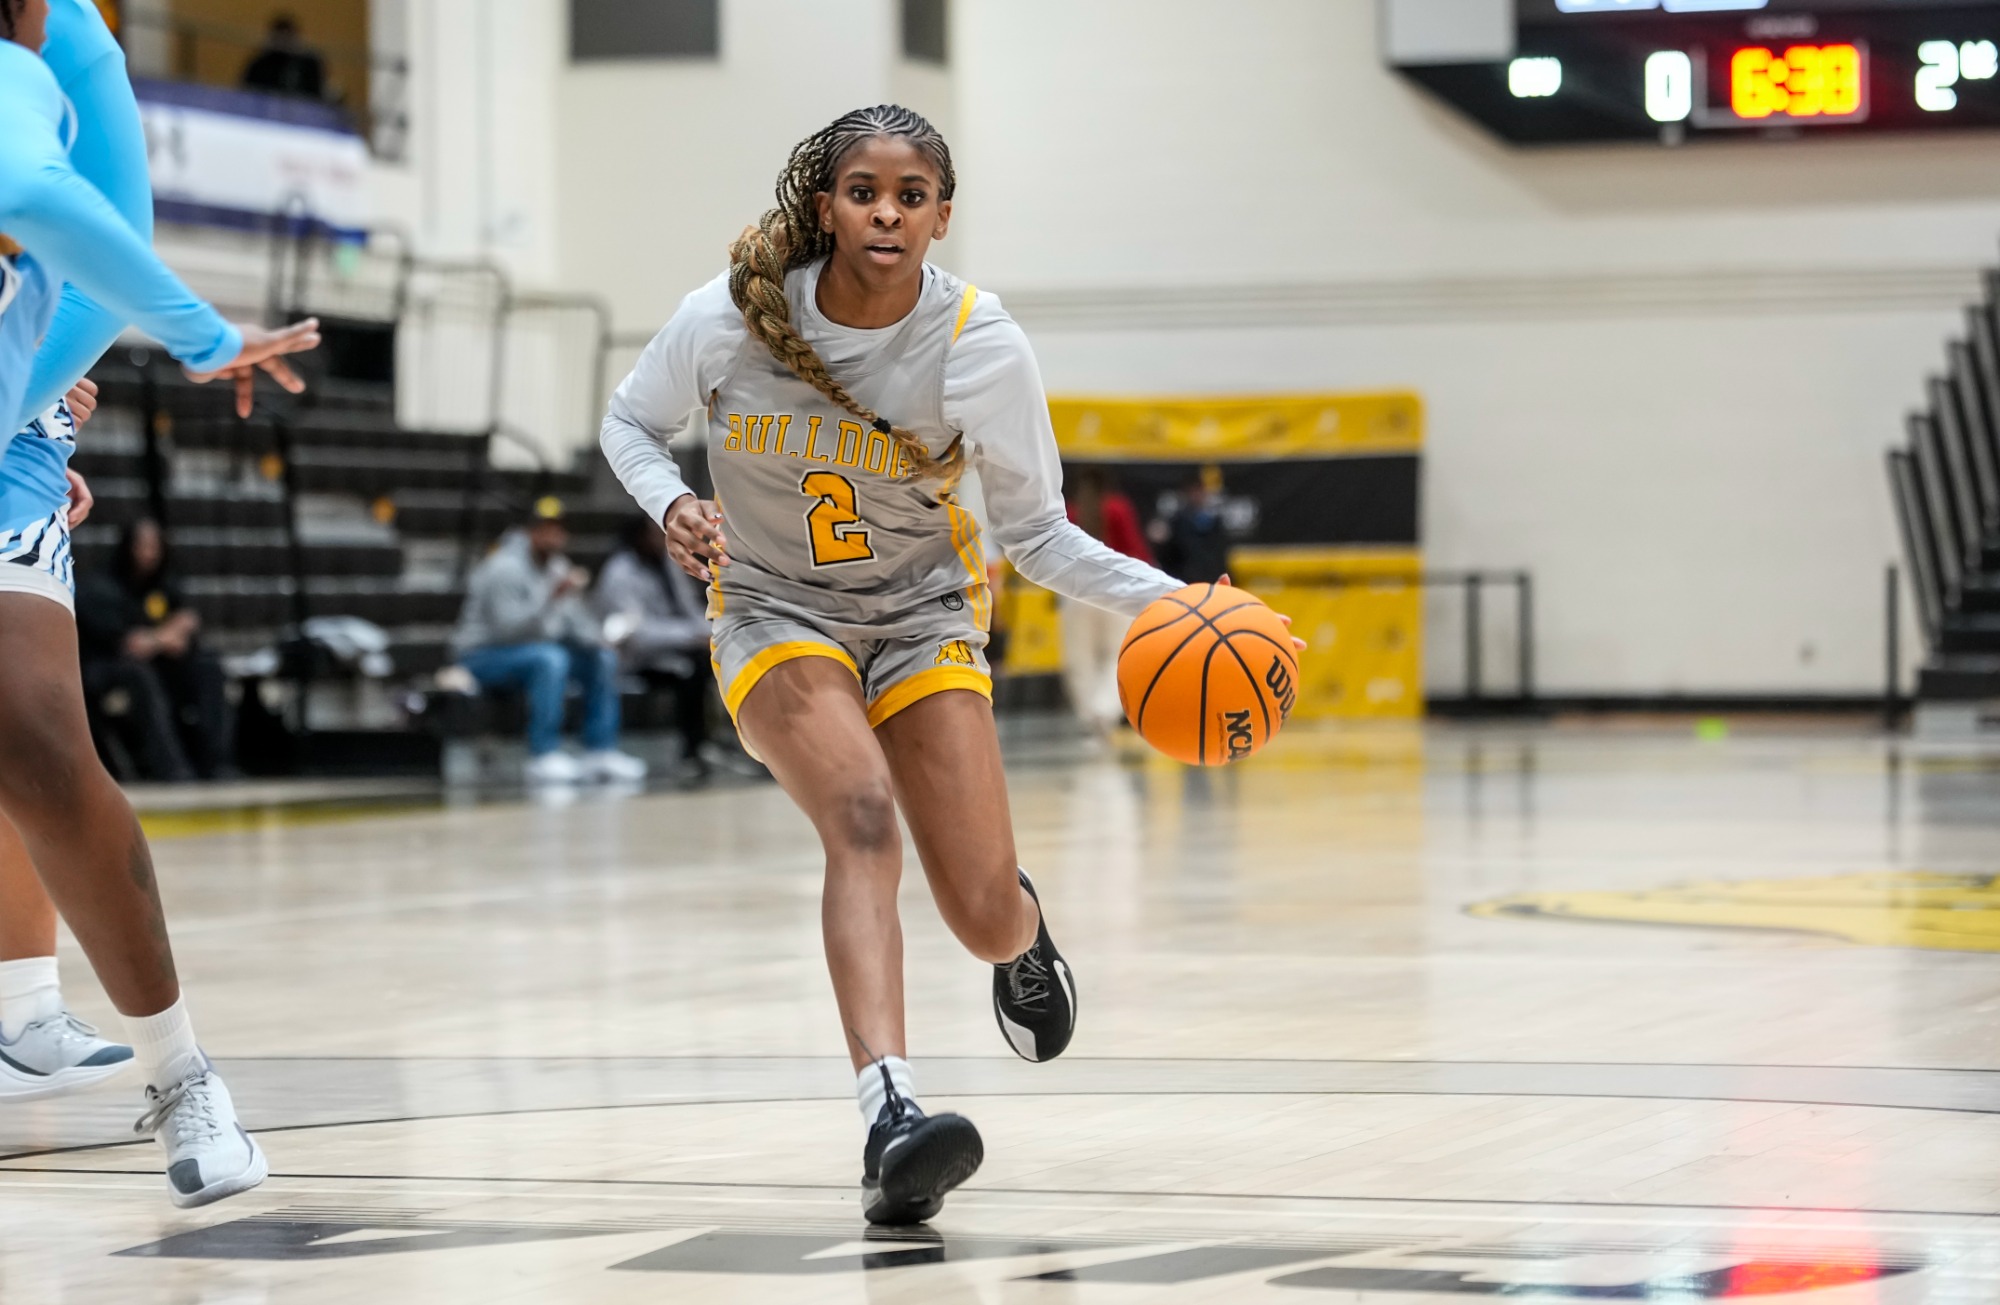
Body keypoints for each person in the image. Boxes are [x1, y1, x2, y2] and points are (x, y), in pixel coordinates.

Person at [602, 103, 1303, 1224]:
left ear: (940, 215)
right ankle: (891, 1116)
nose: (886, 212)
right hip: (775, 611)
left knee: (978, 912)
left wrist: (1177, 602)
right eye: (863, 191)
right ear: (824, 205)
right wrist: (673, 502)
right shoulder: (727, 319)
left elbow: (1036, 537)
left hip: (923, 616)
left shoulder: (979, 344)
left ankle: (1019, 942)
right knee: (861, 817)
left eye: (910, 195)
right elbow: (627, 424)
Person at [0, 0, 321, 1207]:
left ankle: (180, 1076)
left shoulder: (35, 53)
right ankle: (22, 1012)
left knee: (32, 739)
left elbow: (56, 208)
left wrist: (37, 391)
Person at [453, 499, 649, 786]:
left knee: (601, 659)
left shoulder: (558, 567)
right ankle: (543, 754)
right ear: (529, 532)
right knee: (550, 658)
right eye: (546, 530)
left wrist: (599, 639)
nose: (555, 537)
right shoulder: (503, 568)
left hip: (536, 650)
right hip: (482, 655)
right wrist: (550, 597)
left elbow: (574, 620)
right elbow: (507, 631)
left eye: (559, 530)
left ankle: (599, 751)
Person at [75, 518, 234, 781]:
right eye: (143, 545)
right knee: (140, 677)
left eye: (155, 546)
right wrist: (165, 636)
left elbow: (188, 623)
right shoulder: (101, 587)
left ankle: (217, 763)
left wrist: (161, 638)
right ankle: (173, 769)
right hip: (105, 667)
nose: (150, 553)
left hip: (155, 663)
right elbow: (131, 645)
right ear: (128, 547)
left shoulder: (164, 582)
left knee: (207, 665)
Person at [595, 517, 721, 777]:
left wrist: (712, 631)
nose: (659, 539)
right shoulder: (620, 573)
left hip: (675, 649)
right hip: (637, 658)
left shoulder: (668, 563)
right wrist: (690, 635)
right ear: (639, 537)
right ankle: (692, 748)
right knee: (691, 670)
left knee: (712, 659)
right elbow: (637, 633)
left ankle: (712, 740)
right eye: (653, 533)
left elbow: (689, 609)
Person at [1060, 466, 1154, 740]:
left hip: (1075, 592)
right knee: (1118, 655)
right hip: (1115, 590)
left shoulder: (1070, 510)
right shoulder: (1118, 508)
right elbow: (1137, 551)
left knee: (1080, 659)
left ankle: (1090, 717)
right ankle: (1105, 711)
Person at [1153, 470, 1231, 585]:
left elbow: (1221, 556)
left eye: (1199, 491)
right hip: (1185, 580)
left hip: (1211, 578)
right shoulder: (1176, 523)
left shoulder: (1215, 523)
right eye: (1192, 491)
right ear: (1186, 493)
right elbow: (1170, 557)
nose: (1196, 495)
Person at [240, 13, 325, 101]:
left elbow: (316, 95)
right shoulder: (260, 64)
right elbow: (246, 90)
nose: (283, 43)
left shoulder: (308, 64)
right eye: (280, 38)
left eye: (287, 37)